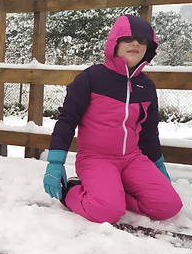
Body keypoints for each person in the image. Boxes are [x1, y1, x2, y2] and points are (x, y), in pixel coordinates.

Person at [43, 14, 183, 224]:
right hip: (96, 158)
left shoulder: (146, 87)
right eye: (129, 38)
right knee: (107, 212)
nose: (136, 43)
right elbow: (67, 120)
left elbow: (148, 132)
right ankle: (72, 190)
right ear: (115, 42)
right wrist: (55, 162)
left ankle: (115, 193)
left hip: (132, 159)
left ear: (149, 48)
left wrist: (158, 165)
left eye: (142, 40)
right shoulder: (92, 78)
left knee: (169, 205)